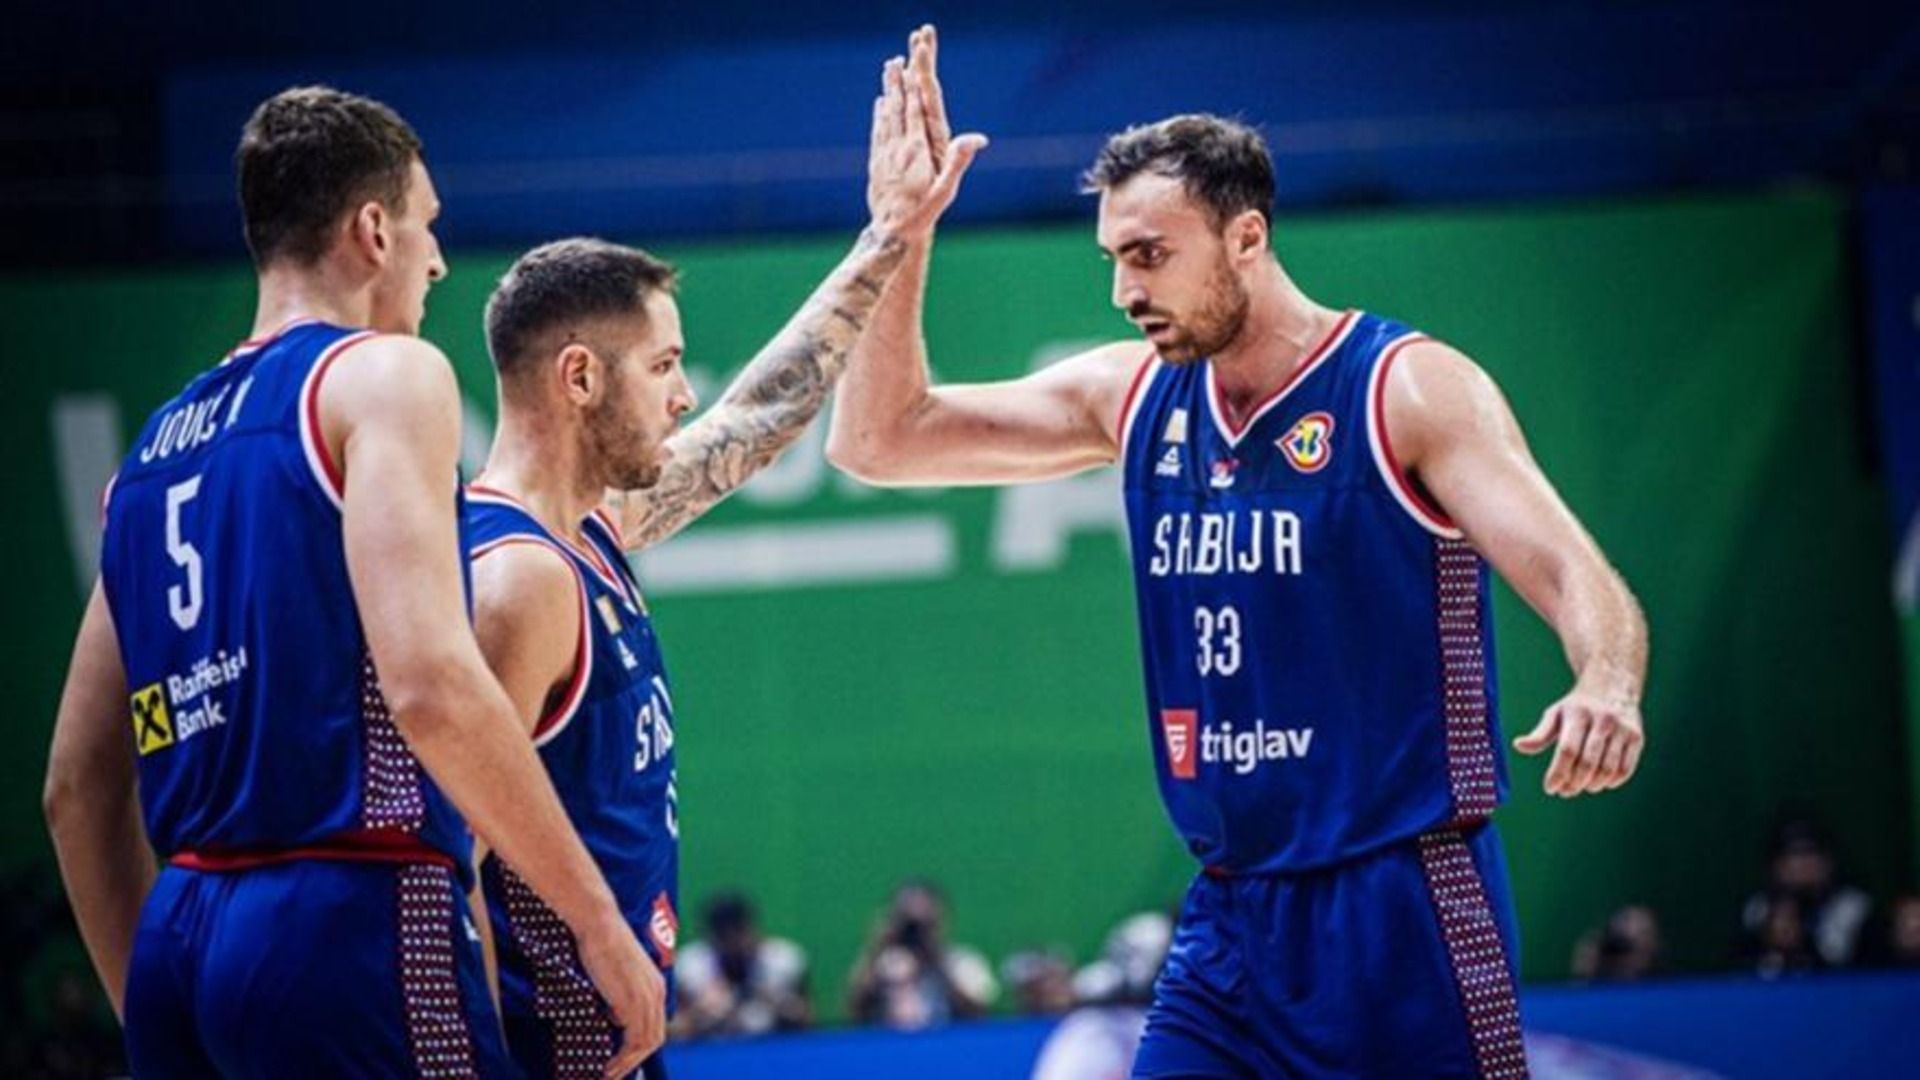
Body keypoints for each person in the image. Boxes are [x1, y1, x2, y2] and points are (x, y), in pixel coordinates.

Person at [829, 26, 1649, 1078]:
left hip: (1400, 902)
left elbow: (1574, 571)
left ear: (1246, 236)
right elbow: (879, 440)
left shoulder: (1406, 389)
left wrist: (1607, 680)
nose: (1125, 290)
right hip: (1231, 916)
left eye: (1150, 255)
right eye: (1114, 259)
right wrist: (898, 233)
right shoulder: (1133, 394)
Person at [44, 86, 661, 1078]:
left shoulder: (147, 459)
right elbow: (429, 685)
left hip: (179, 934)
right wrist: (597, 922)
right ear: (374, 230)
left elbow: (75, 788)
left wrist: (155, 1008)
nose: (437, 260)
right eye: (428, 224)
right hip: (350, 911)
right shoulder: (385, 377)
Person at [462, 54, 979, 1078]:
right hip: (545, 1050)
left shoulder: (591, 529)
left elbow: (757, 417)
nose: (683, 394)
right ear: (578, 377)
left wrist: (889, 236)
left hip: (615, 1034)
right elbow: (444, 875)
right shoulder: (516, 579)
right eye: (662, 366)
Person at [846, 879, 999, 1029]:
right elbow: (855, 1010)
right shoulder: (882, 963)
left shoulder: (963, 962)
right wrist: (876, 947)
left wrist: (938, 962)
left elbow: (979, 1014)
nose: (916, 930)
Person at [672, 892, 812, 1038]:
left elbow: (809, 1019)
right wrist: (699, 1013)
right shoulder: (690, 964)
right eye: (724, 936)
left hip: (774, 1044)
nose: (733, 943)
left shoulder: (783, 959)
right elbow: (672, 1028)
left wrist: (781, 1004)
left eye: (738, 932)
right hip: (712, 1046)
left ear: (753, 928)